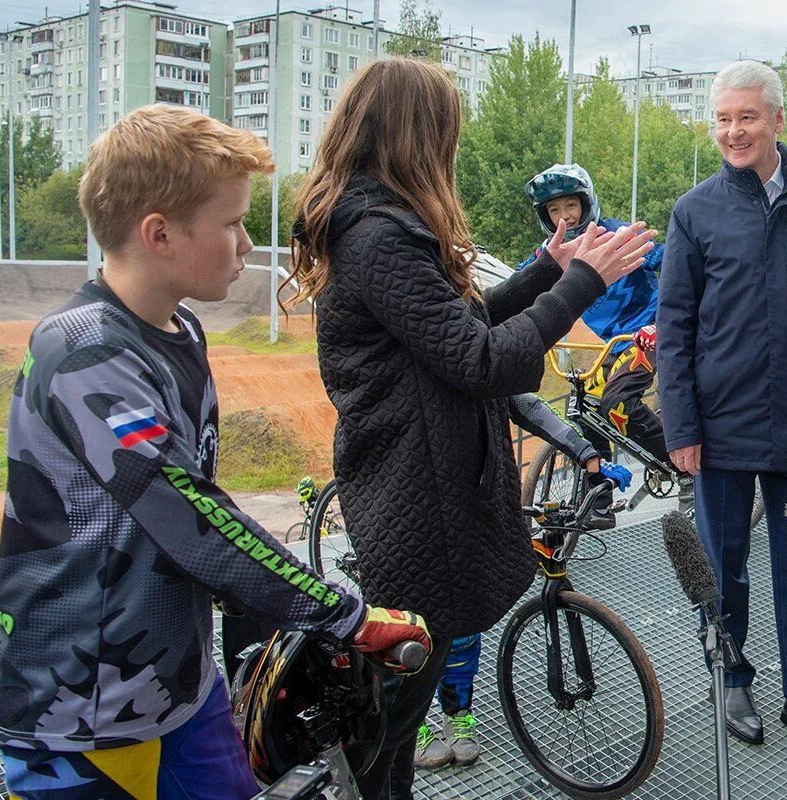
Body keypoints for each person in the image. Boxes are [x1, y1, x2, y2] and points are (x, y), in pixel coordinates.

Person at [0, 105, 431, 800]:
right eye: (231, 224)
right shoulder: (83, 350)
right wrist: (341, 613)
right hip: (80, 713)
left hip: (179, 690)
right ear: (159, 234)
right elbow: (187, 512)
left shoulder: (181, 329)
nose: (248, 244)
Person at [288, 58, 654, 799]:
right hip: (418, 499)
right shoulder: (380, 235)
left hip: (419, 486)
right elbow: (481, 359)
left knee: (403, 695)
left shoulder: (378, 225)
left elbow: (454, 328)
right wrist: (585, 281)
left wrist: (546, 273)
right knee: (394, 710)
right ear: (417, 136)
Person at [657, 60, 787, 771]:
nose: (732, 131)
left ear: (779, 120)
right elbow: (676, 327)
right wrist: (681, 426)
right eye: (722, 118)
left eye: (746, 117)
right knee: (722, 568)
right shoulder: (694, 212)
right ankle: (732, 679)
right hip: (718, 427)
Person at [413, 393, 631, 770]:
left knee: (465, 620)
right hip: (410, 496)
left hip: (469, 496)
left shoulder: (477, 343)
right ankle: (409, 722)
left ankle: (456, 714)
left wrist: (586, 454)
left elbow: (521, 401)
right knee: (412, 620)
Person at [518, 164, 670, 467]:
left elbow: (673, 263)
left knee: (618, 402)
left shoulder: (615, 236)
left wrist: (669, 318)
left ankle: (684, 465)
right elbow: (518, 283)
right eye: (554, 210)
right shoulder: (552, 253)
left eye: (571, 205)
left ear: (587, 203)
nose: (565, 216)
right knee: (585, 405)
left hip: (653, 333)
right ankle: (600, 497)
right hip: (617, 344)